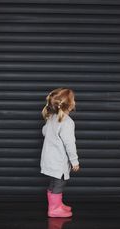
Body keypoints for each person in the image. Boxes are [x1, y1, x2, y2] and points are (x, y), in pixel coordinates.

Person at [40, 87, 80, 217]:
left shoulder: (52, 118)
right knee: (59, 184)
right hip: (58, 162)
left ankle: (56, 205)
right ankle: (54, 210)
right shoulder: (67, 122)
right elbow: (70, 144)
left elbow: (44, 132)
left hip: (49, 160)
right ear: (69, 105)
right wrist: (74, 161)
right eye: (73, 99)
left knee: (53, 183)